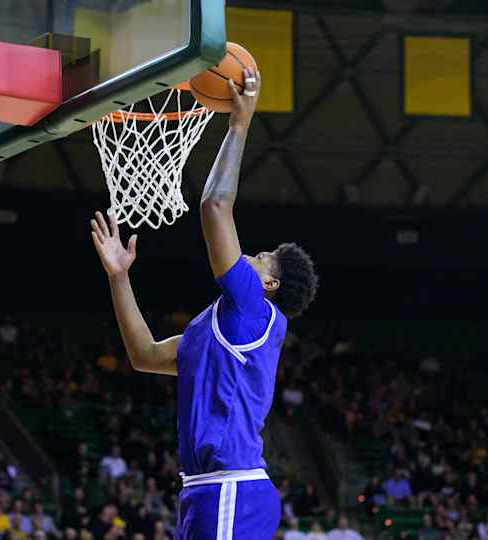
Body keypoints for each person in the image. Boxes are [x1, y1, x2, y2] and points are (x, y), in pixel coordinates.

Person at [90, 67, 318, 540]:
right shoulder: (210, 329)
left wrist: (239, 124)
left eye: (260, 258)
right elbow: (145, 355)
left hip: (231, 487)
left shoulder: (257, 311)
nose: (251, 255)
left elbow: (215, 206)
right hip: (202, 491)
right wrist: (119, 277)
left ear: (270, 284)